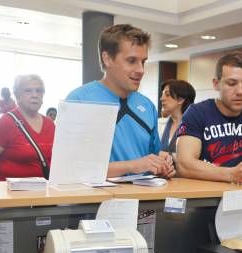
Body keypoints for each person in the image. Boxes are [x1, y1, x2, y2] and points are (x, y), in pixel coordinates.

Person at [66, 24, 175, 179]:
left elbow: (152, 156)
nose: (141, 70)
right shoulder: (79, 101)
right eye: (131, 61)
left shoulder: (147, 106)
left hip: (143, 200)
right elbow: (71, 168)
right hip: (94, 201)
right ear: (107, 59)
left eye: (143, 62)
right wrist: (133, 165)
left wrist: (162, 165)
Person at [176, 52, 242, 186]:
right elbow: (184, 164)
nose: (240, 91)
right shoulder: (197, 113)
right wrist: (231, 174)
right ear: (216, 84)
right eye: (232, 83)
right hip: (205, 198)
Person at [0, 75, 55, 181]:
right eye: (28, 91)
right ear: (17, 95)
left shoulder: (50, 125)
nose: (35, 95)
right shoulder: (3, 124)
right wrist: (11, 170)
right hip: (12, 193)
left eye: (39, 91)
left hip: (45, 193)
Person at [160, 79, 195, 154]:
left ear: (180, 99)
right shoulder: (159, 124)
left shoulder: (194, 127)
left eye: (167, 95)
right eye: (162, 94)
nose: (162, 98)